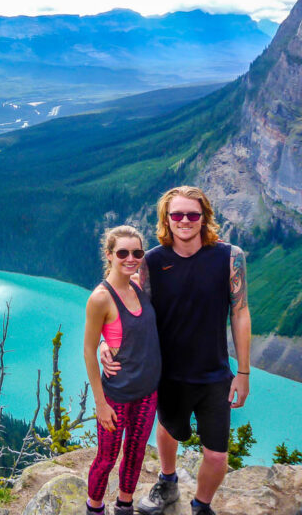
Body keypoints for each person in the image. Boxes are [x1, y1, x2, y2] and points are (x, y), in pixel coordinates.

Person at [101, 186, 251, 515]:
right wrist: (104, 342)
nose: (185, 221)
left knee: (216, 455)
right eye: (177, 215)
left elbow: (239, 312)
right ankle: (168, 483)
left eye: (193, 214)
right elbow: (128, 307)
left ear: (204, 218)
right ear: (166, 220)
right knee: (168, 430)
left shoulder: (229, 257)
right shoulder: (151, 261)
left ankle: (201, 504)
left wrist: (243, 372)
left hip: (214, 374)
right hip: (166, 372)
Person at [84, 225, 161, 515]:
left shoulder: (139, 286)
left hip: (146, 391)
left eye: (137, 252)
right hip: (115, 394)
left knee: (135, 452)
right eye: (123, 253)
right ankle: (94, 508)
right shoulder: (101, 298)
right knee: (106, 457)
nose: (131, 258)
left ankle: (125, 505)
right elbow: (88, 350)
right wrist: (100, 403)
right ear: (109, 255)